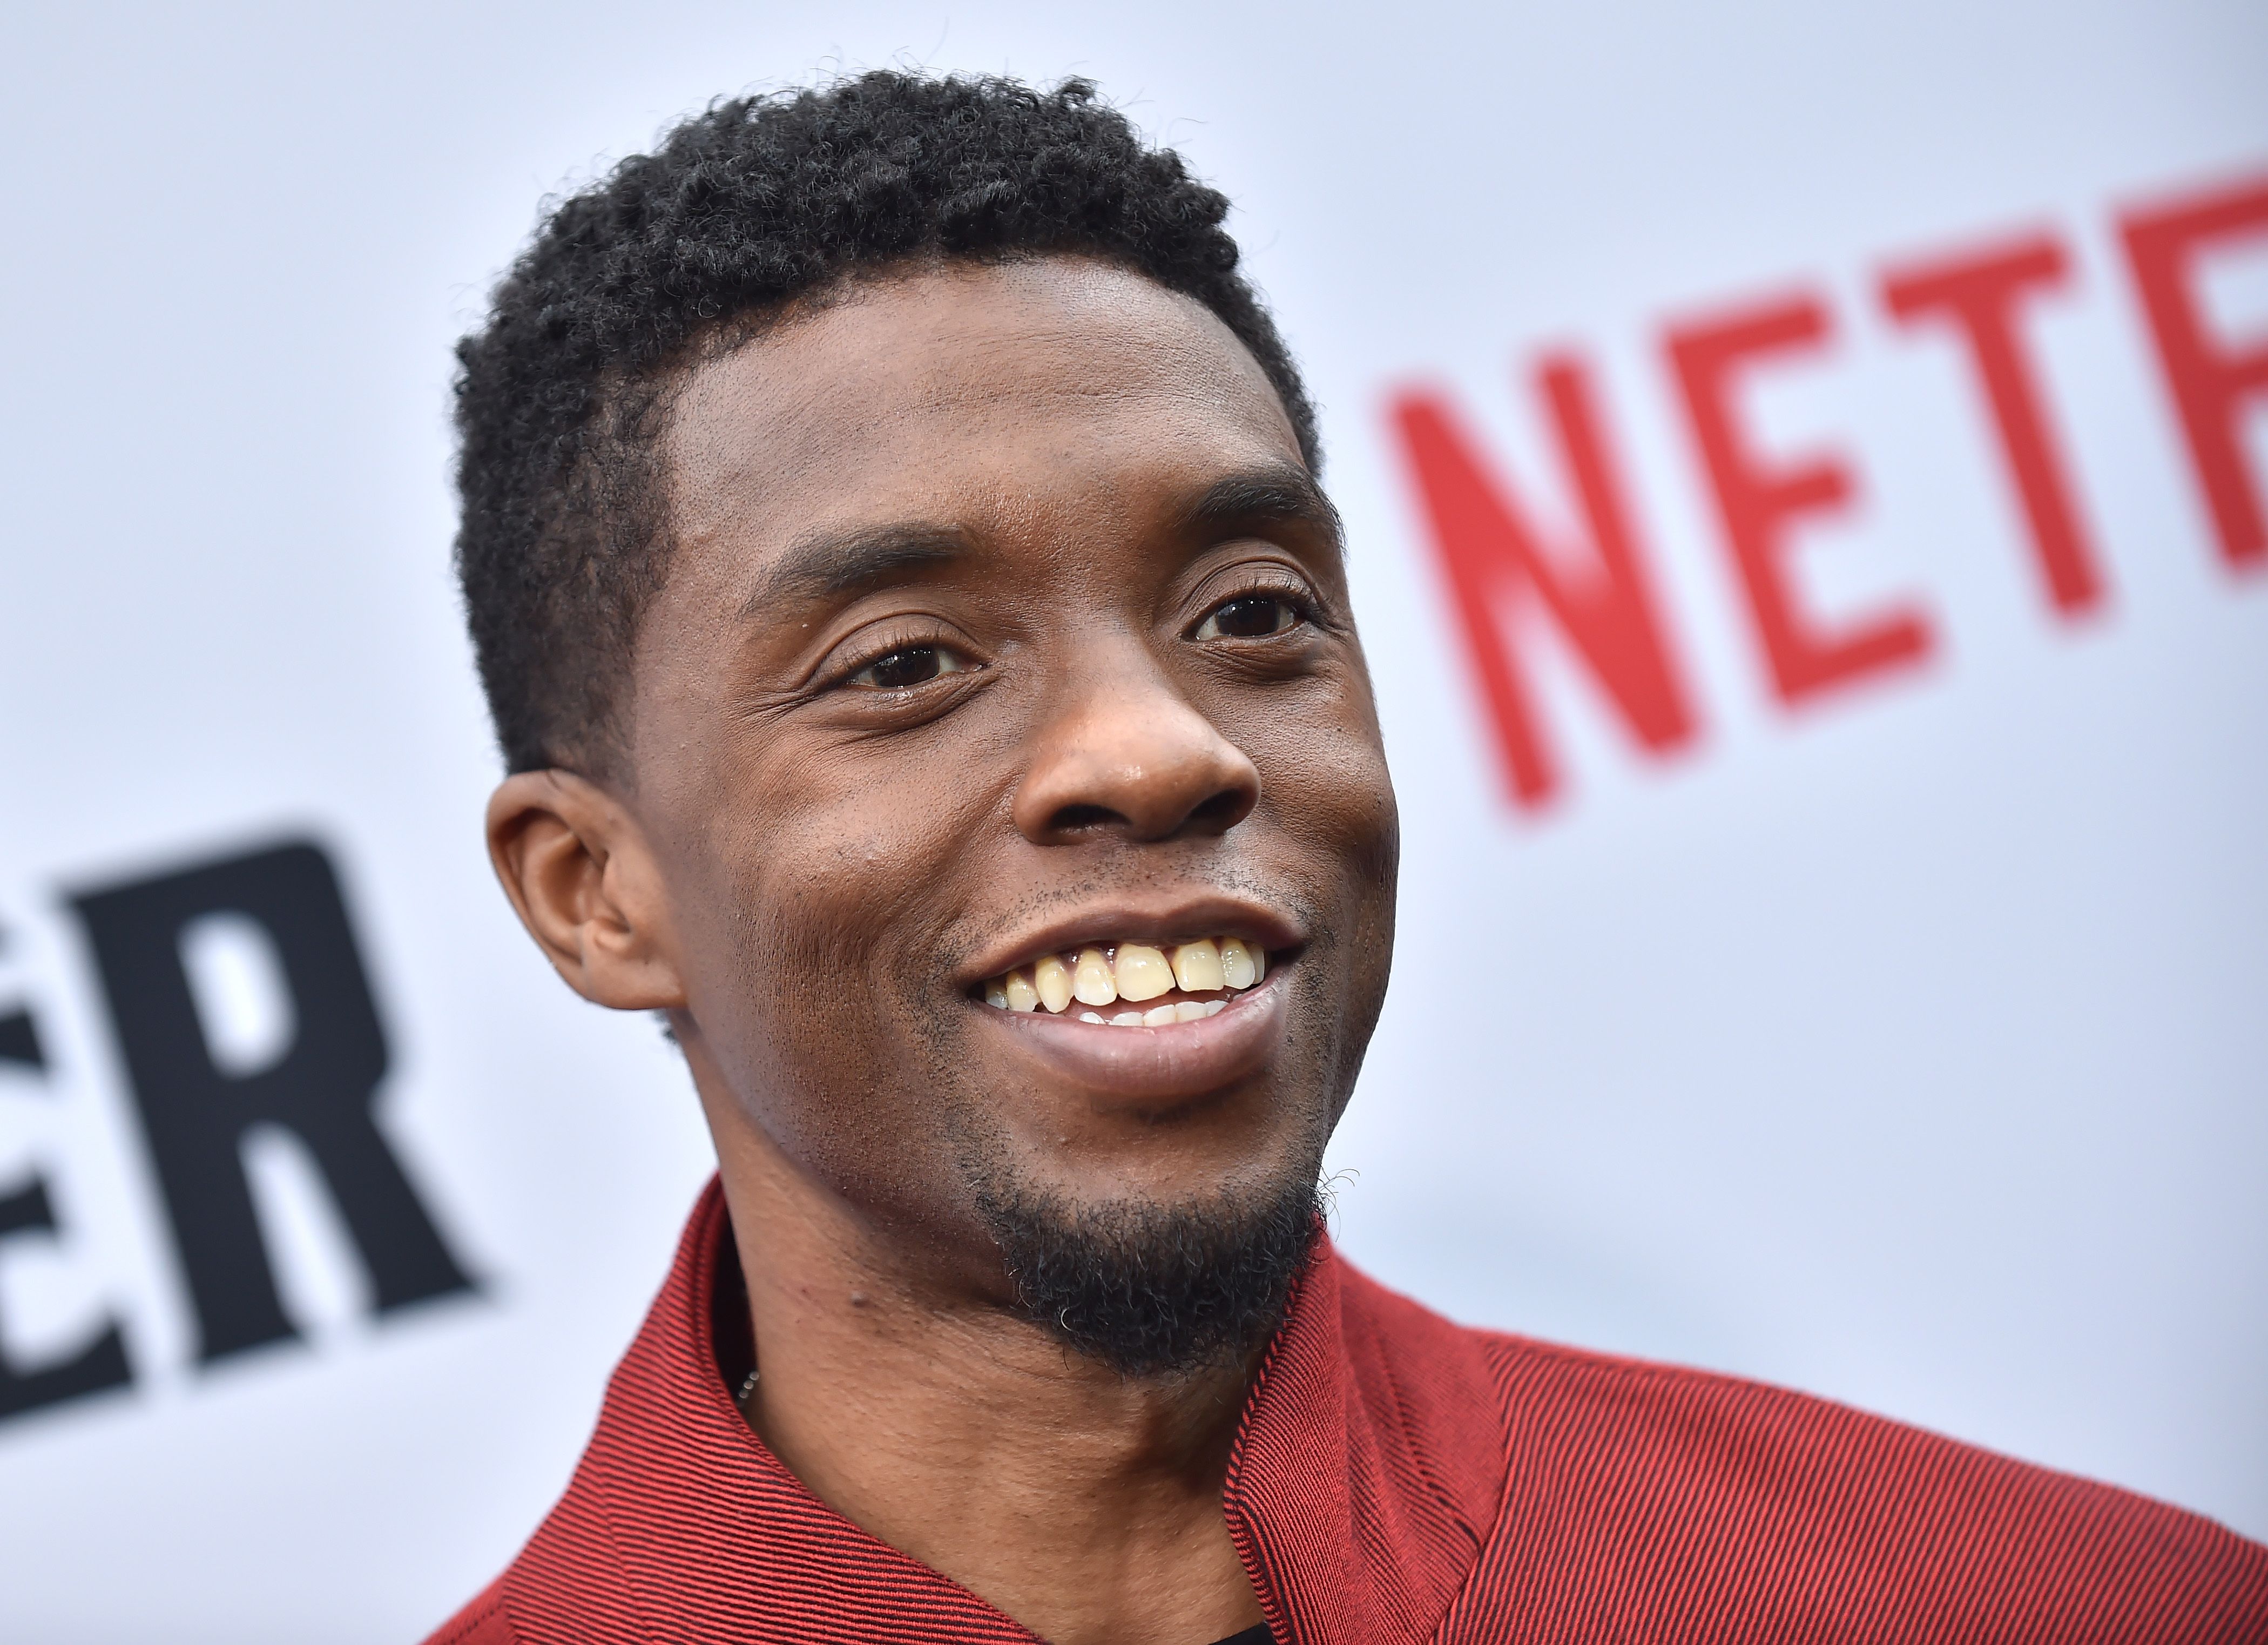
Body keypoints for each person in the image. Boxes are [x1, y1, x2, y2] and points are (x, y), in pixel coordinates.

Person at [427, 70, 2266, 1645]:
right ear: (598, 894)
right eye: (908, 667)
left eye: (1250, 612)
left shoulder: (2043, 1599)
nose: (1163, 746)